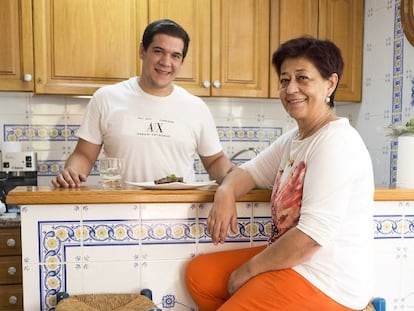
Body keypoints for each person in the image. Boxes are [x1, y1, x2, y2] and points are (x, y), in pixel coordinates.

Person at [185, 36, 375, 311]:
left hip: (330, 280)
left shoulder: (336, 142)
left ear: (330, 84)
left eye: (303, 78)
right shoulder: (294, 139)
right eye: (285, 80)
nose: (291, 89)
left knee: (235, 285)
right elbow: (248, 172)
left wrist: (247, 272)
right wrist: (225, 191)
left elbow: (310, 238)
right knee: (199, 275)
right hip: (300, 263)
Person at [52, 19, 232, 188]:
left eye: (175, 56)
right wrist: (72, 174)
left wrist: (235, 177)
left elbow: (215, 161)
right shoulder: (106, 98)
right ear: (142, 51)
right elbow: (84, 155)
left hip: (179, 213)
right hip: (120, 212)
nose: (166, 62)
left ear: (182, 62)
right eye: (158, 51)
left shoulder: (196, 107)